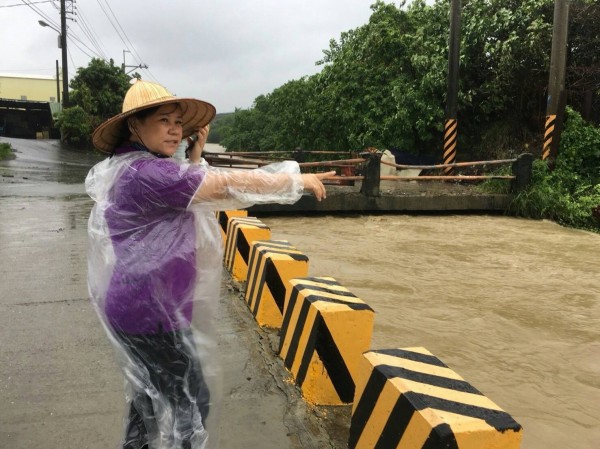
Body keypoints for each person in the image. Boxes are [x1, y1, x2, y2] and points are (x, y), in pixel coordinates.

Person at [85, 79, 334, 449]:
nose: (174, 129)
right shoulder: (150, 174)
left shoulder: (139, 168)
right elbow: (221, 186)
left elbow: (188, 195)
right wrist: (293, 181)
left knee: (148, 401)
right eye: (163, 120)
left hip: (141, 307)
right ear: (135, 126)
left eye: (177, 122)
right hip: (150, 314)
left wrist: (195, 156)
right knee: (190, 404)